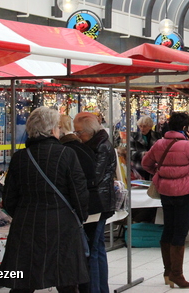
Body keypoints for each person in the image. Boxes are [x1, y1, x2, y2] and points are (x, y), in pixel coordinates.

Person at [0, 107, 89, 292]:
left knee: (22, 281)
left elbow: (8, 198)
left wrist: (25, 213)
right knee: (66, 281)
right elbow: (79, 194)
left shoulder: (19, 158)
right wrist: (79, 217)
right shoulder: (67, 154)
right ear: (52, 129)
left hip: (26, 225)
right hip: (62, 225)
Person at [142, 112, 189, 289]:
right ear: (185, 128)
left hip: (165, 193)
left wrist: (160, 171)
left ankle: (167, 272)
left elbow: (145, 163)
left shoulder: (159, 144)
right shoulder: (188, 146)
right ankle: (177, 275)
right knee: (180, 232)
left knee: (169, 229)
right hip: (184, 192)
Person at [58, 115, 105, 293]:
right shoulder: (86, 148)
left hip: (86, 208)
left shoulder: (68, 151)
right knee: (93, 251)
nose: (78, 135)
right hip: (94, 205)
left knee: (88, 254)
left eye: (80, 132)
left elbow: (81, 184)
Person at [74, 112, 118, 293]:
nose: (77, 136)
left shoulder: (99, 146)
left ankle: (95, 289)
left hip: (98, 202)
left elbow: (94, 176)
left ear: (90, 131)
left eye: (79, 132)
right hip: (101, 201)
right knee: (98, 248)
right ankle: (101, 289)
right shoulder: (98, 144)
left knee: (92, 250)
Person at [130, 115, 162, 180]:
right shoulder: (134, 136)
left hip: (153, 168)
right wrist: (143, 154)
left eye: (144, 126)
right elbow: (130, 153)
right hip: (139, 168)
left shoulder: (157, 136)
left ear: (150, 126)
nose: (142, 129)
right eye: (140, 126)